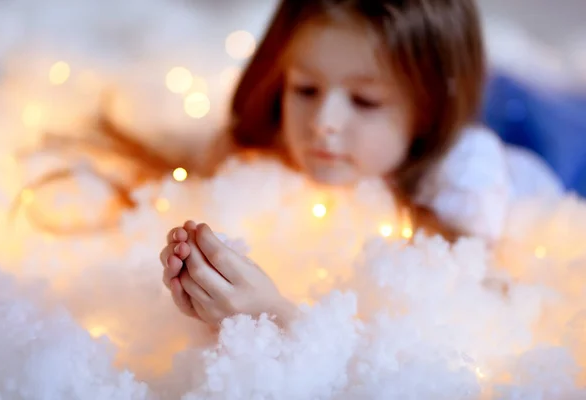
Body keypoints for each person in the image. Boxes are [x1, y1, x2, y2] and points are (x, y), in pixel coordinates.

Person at [158, 0, 563, 328]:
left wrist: (272, 317)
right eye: (306, 88)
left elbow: (459, 337)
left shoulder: (465, 178)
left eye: (365, 101)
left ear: (427, 112)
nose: (322, 123)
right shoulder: (272, 132)